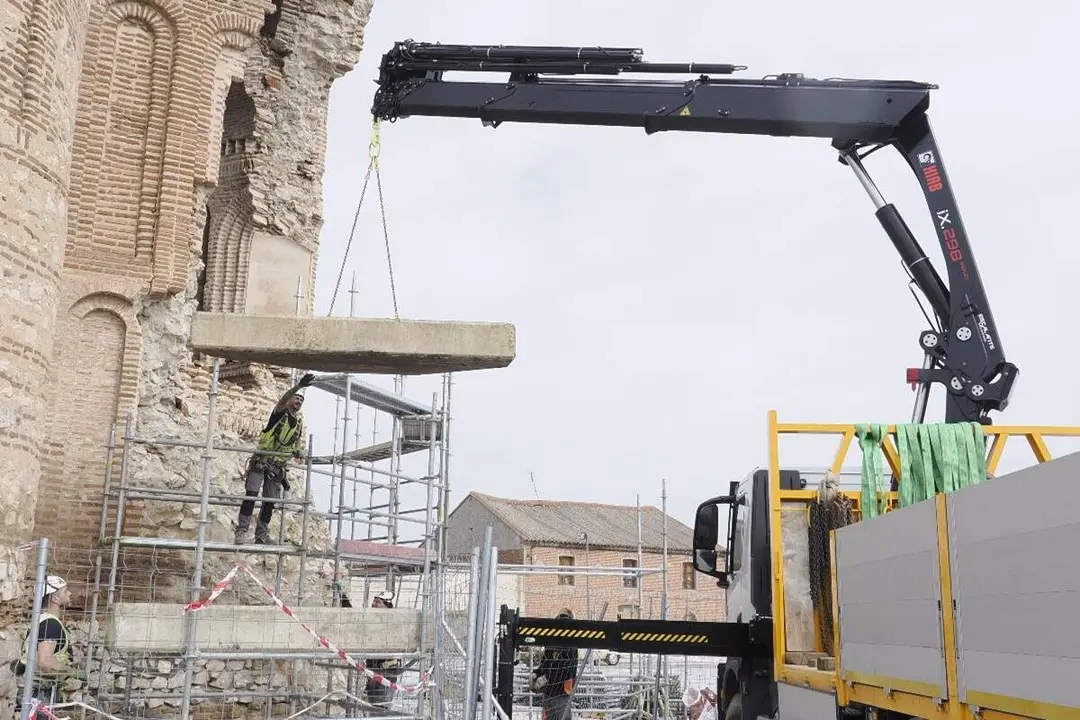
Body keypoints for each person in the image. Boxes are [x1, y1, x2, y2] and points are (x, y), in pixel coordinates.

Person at [235, 372, 314, 544]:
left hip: (277, 467)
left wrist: (298, 452)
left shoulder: (298, 424)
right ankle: (241, 531)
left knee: (270, 502)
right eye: (296, 398)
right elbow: (282, 400)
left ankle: (261, 535)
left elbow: (293, 446)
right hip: (262, 461)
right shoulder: (279, 414)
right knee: (251, 496)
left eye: (301, 400)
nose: (298, 402)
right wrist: (298, 386)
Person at [14, 575, 73, 712]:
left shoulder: (40, 619)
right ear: (55, 598)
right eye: (65, 591)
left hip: (32, 689)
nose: (69, 593)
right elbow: (45, 662)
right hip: (39, 692)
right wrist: (72, 672)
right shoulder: (50, 624)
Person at [529, 609, 579, 720]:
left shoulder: (570, 643)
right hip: (551, 693)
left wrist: (545, 678)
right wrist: (536, 674)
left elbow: (567, 670)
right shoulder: (553, 641)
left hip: (561, 694)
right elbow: (546, 663)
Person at [365, 591, 402, 711]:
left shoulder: (391, 623)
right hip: (373, 672)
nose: (373, 604)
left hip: (385, 675)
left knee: (380, 711)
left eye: (378, 602)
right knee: (373, 710)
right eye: (374, 601)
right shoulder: (372, 621)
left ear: (387, 606)